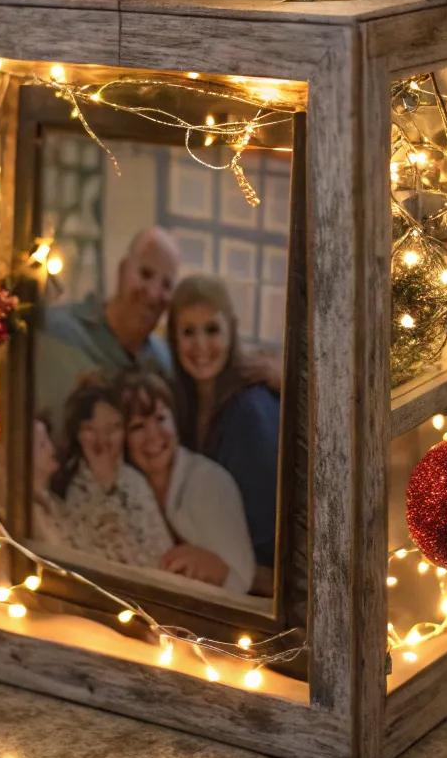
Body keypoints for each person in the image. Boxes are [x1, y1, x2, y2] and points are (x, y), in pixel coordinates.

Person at [167, 275, 280, 586]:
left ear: (232, 329)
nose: (201, 345)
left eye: (212, 329)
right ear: (174, 340)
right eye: (189, 332)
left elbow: (267, 543)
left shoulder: (249, 413)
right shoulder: (182, 405)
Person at [34, 227, 180, 444]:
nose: (153, 293)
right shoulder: (54, 332)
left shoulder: (164, 363)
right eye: (145, 274)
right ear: (122, 271)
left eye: (166, 285)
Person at [117, 371, 256, 596]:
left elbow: (241, 580)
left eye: (161, 418)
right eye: (138, 426)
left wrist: (211, 566)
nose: (153, 436)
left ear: (175, 421)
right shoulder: (125, 487)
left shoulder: (209, 482)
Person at [33, 373, 173, 567]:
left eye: (112, 429)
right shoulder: (64, 488)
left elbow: (162, 552)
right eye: (90, 429)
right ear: (77, 434)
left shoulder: (135, 482)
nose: (102, 441)